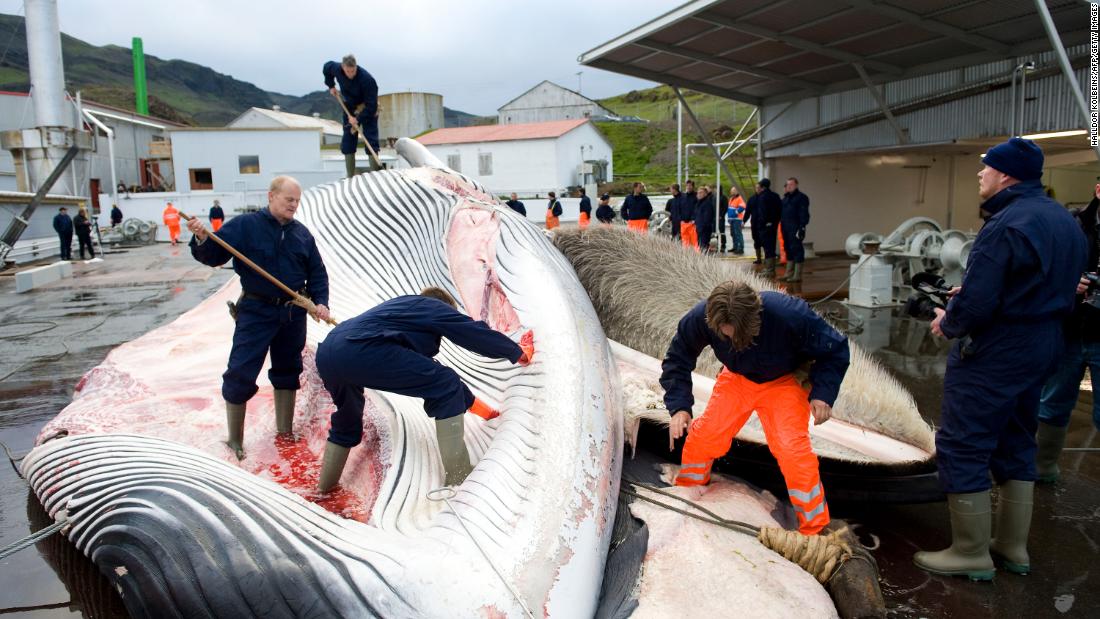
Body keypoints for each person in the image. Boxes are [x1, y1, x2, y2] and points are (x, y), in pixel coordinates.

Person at [914, 138, 1087, 580]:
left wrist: (948, 321)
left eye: (986, 168)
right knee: (1016, 435)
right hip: (1044, 340)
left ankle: (970, 551)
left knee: (964, 440)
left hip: (999, 347)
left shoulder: (1006, 224)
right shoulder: (1064, 220)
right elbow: (1049, 283)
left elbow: (977, 304)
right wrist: (974, 296)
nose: (980, 174)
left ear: (1006, 175)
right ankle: (1012, 547)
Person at [661, 281, 849, 535]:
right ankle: (690, 489)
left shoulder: (790, 314)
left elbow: (835, 350)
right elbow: (678, 359)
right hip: (737, 378)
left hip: (785, 381)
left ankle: (814, 528)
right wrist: (679, 407)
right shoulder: (700, 317)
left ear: (756, 317)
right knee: (706, 434)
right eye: (727, 336)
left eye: (741, 335)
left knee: (792, 450)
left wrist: (823, 394)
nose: (734, 341)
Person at [314, 287, 535, 491]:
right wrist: (515, 352)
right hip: (361, 350)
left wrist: (479, 408)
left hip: (329, 354)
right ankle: (459, 477)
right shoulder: (432, 306)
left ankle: (324, 489)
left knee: (348, 418)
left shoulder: (402, 309)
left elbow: (425, 369)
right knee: (445, 383)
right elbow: (471, 332)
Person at [186, 176, 331, 459]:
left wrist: (321, 303)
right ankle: (235, 440)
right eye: (289, 199)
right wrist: (202, 237)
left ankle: (285, 432)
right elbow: (214, 255)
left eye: (297, 201)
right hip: (256, 310)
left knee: (288, 371)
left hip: (292, 312)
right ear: (271, 196)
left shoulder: (302, 235)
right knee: (240, 370)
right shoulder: (244, 226)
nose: (294, 205)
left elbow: (317, 273)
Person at [1035, 183, 1100, 483]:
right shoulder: (1071, 225)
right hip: (1070, 330)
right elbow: (1041, 269)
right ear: (1098, 190)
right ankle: (1042, 470)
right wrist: (1069, 281)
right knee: (1053, 403)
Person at [323, 54, 380, 177]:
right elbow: (326, 67)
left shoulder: (367, 79)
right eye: (347, 71)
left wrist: (358, 119)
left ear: (356, 67)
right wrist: (331, 85)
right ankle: (350, 176)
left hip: (367, 108)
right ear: (343, 67)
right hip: (349, 107)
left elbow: (372, 106)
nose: (350, 74)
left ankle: (375, 175)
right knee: (348, 139)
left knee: (371, 139)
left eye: (353, 70)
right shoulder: (336, 68)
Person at [780, 178, 811, 282]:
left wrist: (802, 227)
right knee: (788, 248)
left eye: (791, 184)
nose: (789, 186)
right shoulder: (785, 199)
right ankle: (789, 273)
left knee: (796, 249)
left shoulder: (801, 198)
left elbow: (804, 213)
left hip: (795, 227)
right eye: (787, 184)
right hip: (785, 227)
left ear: (796, 185)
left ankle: (797, 275)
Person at [755, 179, 783, 277]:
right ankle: (770, 269)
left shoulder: (762, 197)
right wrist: (774, 221)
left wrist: (763, 223)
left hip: (765, 226)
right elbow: (780, 210)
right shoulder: (776, 196)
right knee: (772, 246)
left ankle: (769, 270)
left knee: (767, 247)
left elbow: (762, 212)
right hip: (774, 225)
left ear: (762, 187)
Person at [694, 185, 718, 253]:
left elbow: (707, 217)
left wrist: (703, 227)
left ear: (705, 194)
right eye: (698, 193)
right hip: (699, 228)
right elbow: (696, 215)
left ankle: (704, 259)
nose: (699, 194)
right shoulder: (698, 204)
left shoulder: (707, 204)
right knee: (700, 245)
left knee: (704, 245)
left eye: (701, 193)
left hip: (704, 229)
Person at [679, 180, 698, 249]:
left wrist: (694, 219)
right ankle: (686, 255)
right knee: (685, 241)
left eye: (690, 185)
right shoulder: (683, 196)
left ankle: (696, 256)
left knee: (694, 241)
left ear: (693, 186)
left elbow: (697, 209)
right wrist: (681, 219)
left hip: (692, 223)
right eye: (687, 185)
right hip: (684, 222)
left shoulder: (696, 196)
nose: (688, 187)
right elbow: (680, 208)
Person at [727, 188, 746, 255]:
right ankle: (735, 247)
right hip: (732, 219)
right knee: (733, 234)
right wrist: (729, 218)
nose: (732, 192)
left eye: (733, 191)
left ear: (737, 191)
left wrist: (735, 212)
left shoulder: (740, 198)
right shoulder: (731, 199)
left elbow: (742, 207)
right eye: (731, 191)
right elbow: (729, 209)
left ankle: (740, 248)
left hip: (737, 219)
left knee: (738, 234)